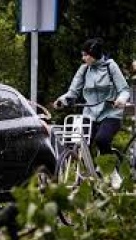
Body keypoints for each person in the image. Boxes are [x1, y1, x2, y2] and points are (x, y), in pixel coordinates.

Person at [53, 37, 130, 188]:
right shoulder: (83, 69)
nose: (83, 58)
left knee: (102, 139)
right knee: (79, 142)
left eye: (85, 55)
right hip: (89, 114)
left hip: (110, 113)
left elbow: (124, 89)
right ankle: (89, 175)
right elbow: (73, 92)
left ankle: (112, 172)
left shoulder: (110, 66)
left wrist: (121, 100)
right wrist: (62, 101)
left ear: (93, 54)